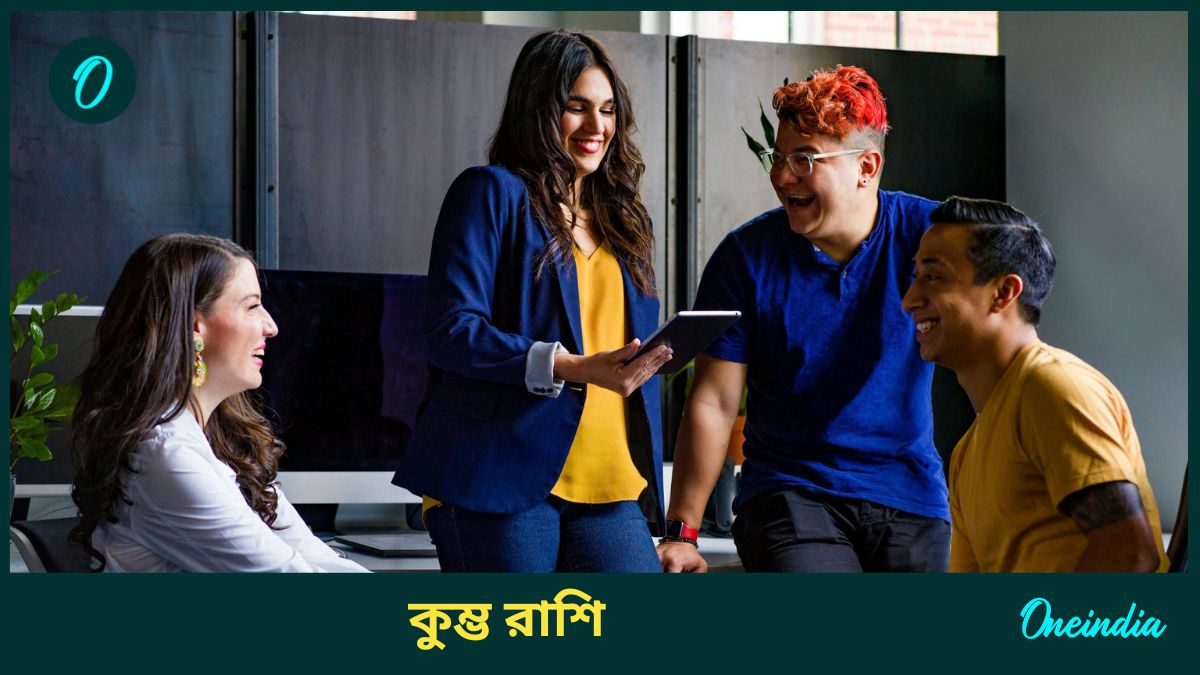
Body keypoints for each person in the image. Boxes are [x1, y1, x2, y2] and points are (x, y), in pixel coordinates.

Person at [392, 29, 672, 572]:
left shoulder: (626, 221)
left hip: (609, 477)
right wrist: (571, 366)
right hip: (499, 469)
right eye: (577, 108)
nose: (597, 127)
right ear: (539, 110)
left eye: (608, 111)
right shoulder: (490, 192)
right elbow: (452, 330)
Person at [659, 65, 950, 573]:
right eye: (778, 158)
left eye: (804, 159)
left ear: (866, 167)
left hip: (909, 494)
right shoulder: (745, 258)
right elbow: (714, 400)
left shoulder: (932, 235)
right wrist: (682, 534)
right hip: (789, 493)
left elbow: (1008, 294)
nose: (781, 176)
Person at [69, 234, 368, 573]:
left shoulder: (225, 442)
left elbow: (319, 559)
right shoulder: (165, 455)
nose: (271, 326)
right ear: (194, 325)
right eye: (252, 306)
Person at [902, 197, 1168, 572]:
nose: (909, 300)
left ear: (1002, 293)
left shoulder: (1052, 387)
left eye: (932, 277)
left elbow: (1129, 554)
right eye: (915, 277)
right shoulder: (966, 453)